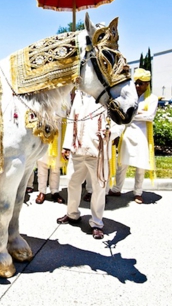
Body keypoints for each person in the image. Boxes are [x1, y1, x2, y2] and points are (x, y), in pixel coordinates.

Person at [57, 90, 111, 240]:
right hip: (77, 149)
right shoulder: (80, 94)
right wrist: (66, 145)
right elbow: (71, 119)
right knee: (72, 183)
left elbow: (119, 121)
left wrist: (109, 132)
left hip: (98, 151)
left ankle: (97, 223)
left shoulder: (108, 95)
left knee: (99, 188)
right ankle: (72, 214)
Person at [109, 68, 158, 204]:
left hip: (142, 135)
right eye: (136, 83)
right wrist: (137, 115)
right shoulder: (130, 97)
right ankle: (117, 188)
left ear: (147, 84)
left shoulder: (152, 99)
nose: (137, 86)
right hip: (127, 133)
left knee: (140, 165)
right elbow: (122, 114)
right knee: (122, 163)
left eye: (141, 83)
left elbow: (150, 116)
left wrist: (131, 115)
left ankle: (138, 192)